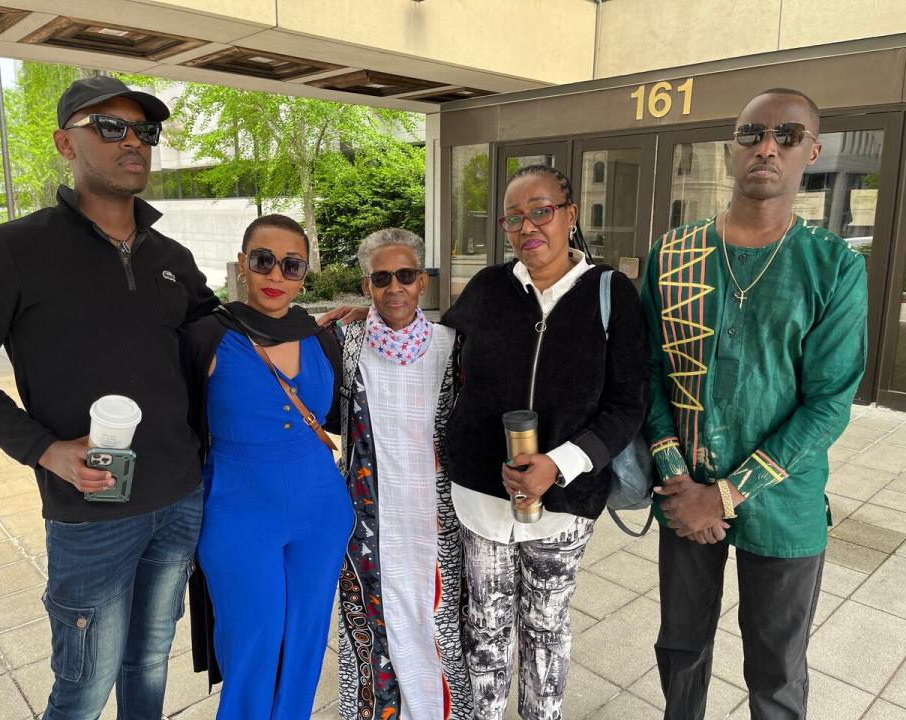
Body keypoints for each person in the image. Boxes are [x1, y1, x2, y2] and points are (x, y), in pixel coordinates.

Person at [324, 165, 649, 719]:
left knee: (546, 632)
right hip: (479, 502)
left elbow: (627, 404)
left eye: (541, 211)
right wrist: (370, 316)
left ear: (570, 215)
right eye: (514, 217)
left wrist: (561, 463)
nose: (528, 227)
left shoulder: (609, 293)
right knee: (484, 632)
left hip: (563, 504)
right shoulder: (488, 288)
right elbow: (431, 341)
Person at [0, 76, 217, 719]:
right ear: (65, 143)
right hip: (91, 512)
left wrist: (306, 329)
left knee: (149, 666)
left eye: (145, 131)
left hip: (179, 498)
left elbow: (221, 336)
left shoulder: (170, 255)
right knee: (84, 686)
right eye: (112, 127)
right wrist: (44, 451)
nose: (135, 143)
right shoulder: (14, 250)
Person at [642, 88, 868, 720]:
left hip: (785, 500)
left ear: (813, 152)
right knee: (681, 647)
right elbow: (648, 374)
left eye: (788, 136)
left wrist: (728, 492)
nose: (768, 146)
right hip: (682, 491)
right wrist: (677, 477)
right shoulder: (674, 253)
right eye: (753, 133)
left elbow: (828, 404)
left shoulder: (833, 267)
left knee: (775, 666)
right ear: (731, 149)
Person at [184, 215, 354, 719]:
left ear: (305, 273)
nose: (275, 275)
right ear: (243, 265)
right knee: (253, 643)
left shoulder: (321, 339)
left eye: (291, 265)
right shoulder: (207, 338)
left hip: (320, 512)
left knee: (305, 644)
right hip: (238, 513)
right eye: (263, 261)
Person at [337, 228, 471, 720]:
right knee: (374, 627)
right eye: (381, 278)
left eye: (406, 275)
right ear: (367, 284)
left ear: (423, 282)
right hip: (367, 522)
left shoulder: (453, 346)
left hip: (436, 521)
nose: (394, 287)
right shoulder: (345, 345)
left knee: (438, 623)